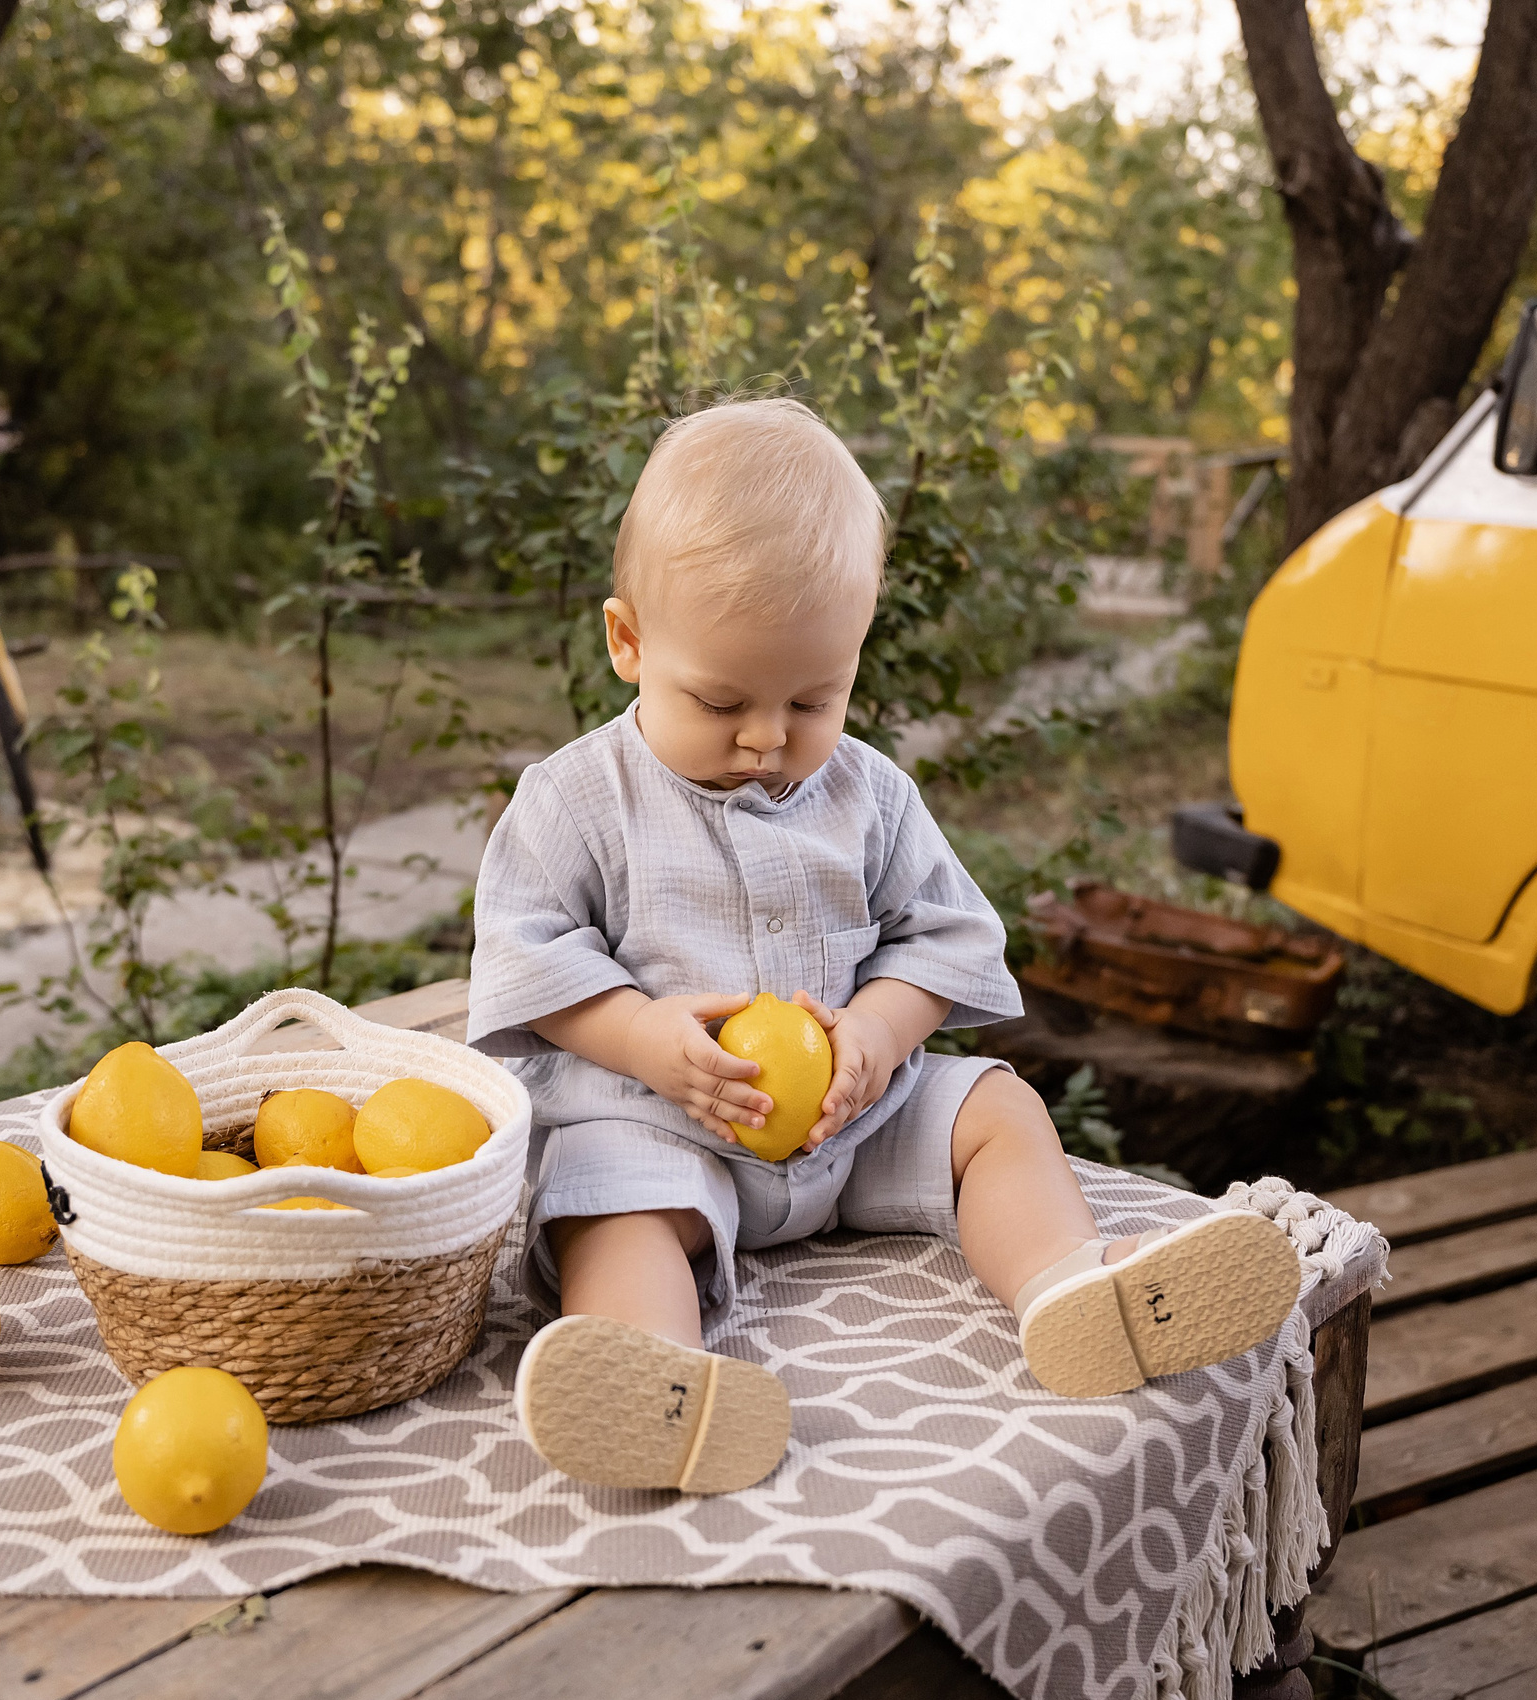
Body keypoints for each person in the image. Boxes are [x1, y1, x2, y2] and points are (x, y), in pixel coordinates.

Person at [469, 398, 1299, 1494]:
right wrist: (639, 1035)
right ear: (628, 642)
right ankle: (658, 1384)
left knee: (997, 1106)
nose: (768, 738)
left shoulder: (869, 792)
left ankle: (1070, 1288)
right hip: (664, 1122)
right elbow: (524, 956)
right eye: (720, 699)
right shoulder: (577, 799)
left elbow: (947, 932)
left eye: (814, 697)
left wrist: (876, 1028)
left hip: (856, 1123)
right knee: (608, 1204)